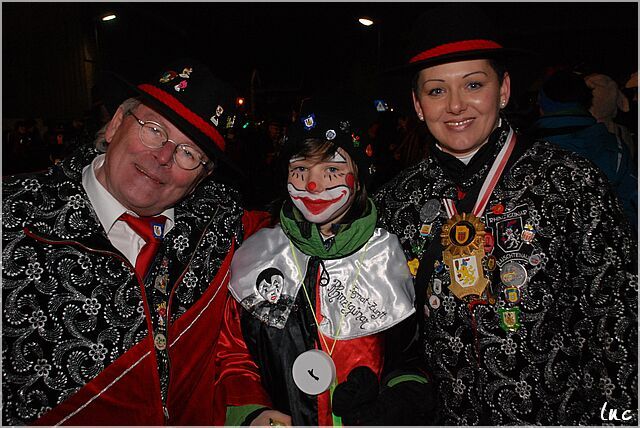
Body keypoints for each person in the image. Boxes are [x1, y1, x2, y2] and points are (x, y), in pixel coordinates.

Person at [374, 5, 638, 426]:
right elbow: (387, 334)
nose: (456, 105)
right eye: (437, 90)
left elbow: (620, 319)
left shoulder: (570, 182)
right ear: (417, 104)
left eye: (473, 84)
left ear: (503, 89)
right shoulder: (397, 203)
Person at [2, 59, 269, 425]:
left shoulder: (218, 225)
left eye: (188, 153)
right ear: (115, 124)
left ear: (201, 178)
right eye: (154, 130)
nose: (163, 157)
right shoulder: (13, 218)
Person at [216, 109, 435, 426]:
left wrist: (396, 402)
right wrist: (252, 412)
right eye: (300, 169)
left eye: (332, 169)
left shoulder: (386, 256)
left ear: (358, 177)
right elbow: (233, 355)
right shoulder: (258, 253)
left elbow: (409, 359)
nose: (313, 184)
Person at [532, 68, 637, 231]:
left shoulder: (530, 149)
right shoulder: (614, 146)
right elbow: (631, 202)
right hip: (608, 239)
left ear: (542, 102)